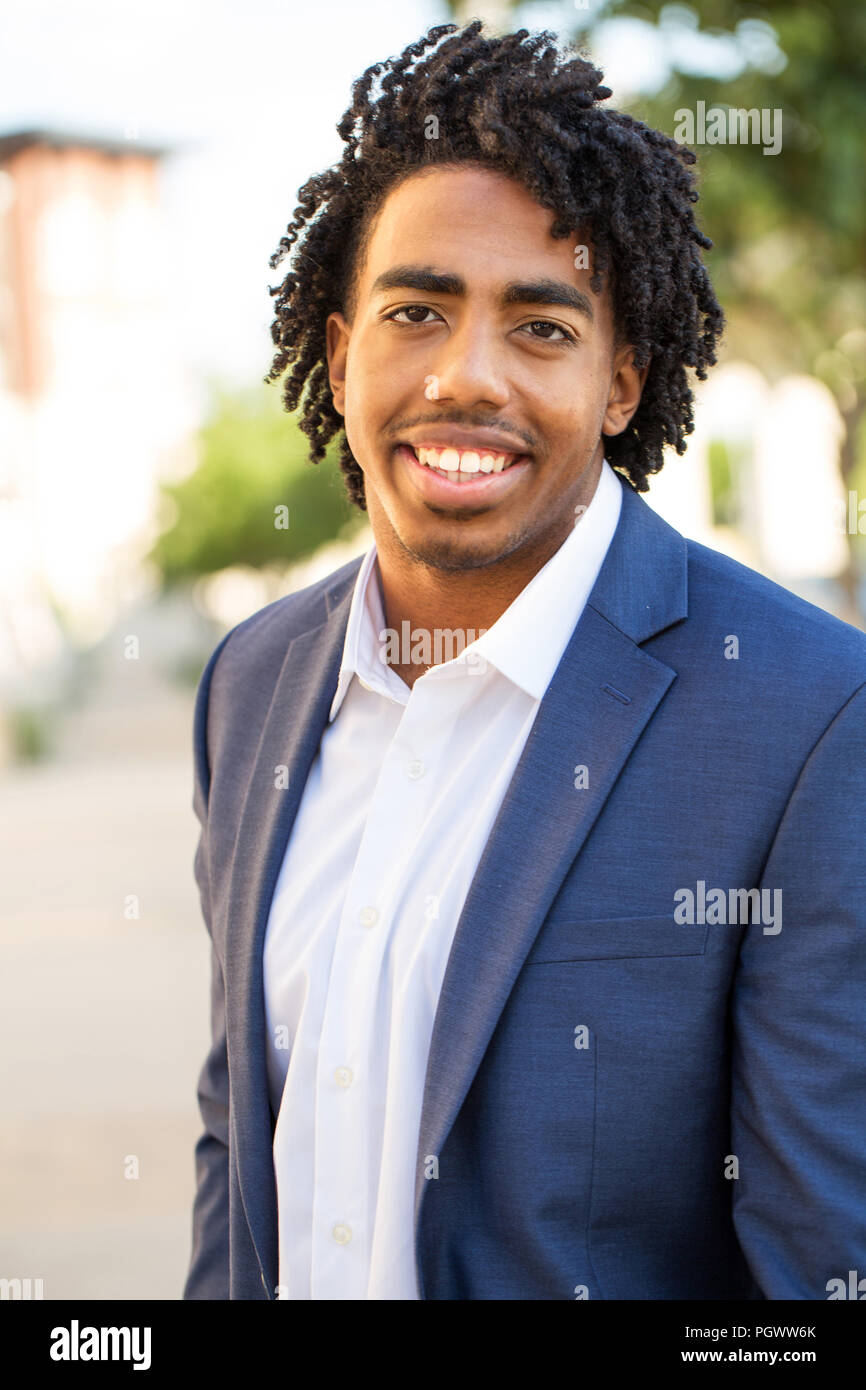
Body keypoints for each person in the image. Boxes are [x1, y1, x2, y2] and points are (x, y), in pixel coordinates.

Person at [182, 22, 866, 1300]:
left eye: (540, 329)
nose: (464, 376)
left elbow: (821, 1266)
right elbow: (239, 1148)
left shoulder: (809, 720)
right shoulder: (250, 686)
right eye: (415, 310)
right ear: (339, 358)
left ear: (621, 379)